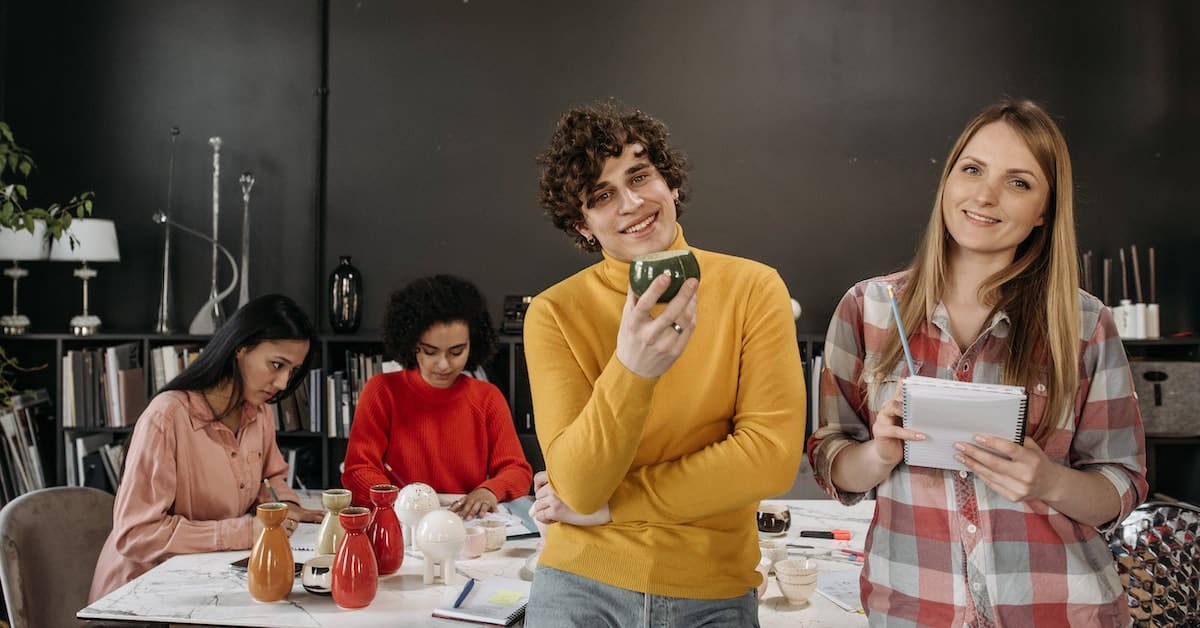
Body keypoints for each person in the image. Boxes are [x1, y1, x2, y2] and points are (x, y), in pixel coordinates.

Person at [809, 99, 1147, 626]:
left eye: (1019, 182)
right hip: (913, 608)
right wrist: (879, 453)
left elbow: (1122, 484)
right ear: (948, 182)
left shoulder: (1085, 324)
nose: (985, 196)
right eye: (972, 170)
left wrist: (1049, 482)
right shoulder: (869, 310)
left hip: (1060, 608)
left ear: (1044, 211)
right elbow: (832, 459)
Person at [522, 101, 806, 627]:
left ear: (670, 183)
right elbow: (579, 487)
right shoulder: (554, 313)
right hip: (579, 583)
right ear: (582, 226)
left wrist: (616, 507)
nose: (631, 202)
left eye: (640, 175)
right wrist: (632, 369)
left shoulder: (754, 288)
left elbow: (770, 457)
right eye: (601, 196)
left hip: (713, 589)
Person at [89, 294, 325, 602]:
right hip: (138, 599)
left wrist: (287, 508)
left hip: (203, 581)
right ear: (240, 347)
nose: (282, 383)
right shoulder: (166, 417)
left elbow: (272, 478)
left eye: (291, 371)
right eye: (276, 365)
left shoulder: (260, 412)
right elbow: (135, 534)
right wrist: (242, 532)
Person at [341, 274, 532, 518]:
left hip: (463, 520)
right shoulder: (382, 391)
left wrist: (489, 491)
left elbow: (516, 470)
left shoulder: (487, 397)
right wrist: (400, 501)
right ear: (412, 344)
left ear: (473, 344)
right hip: (399, 518)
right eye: (430, 352)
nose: (443, 365)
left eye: (456, 351)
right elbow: (358, 469)